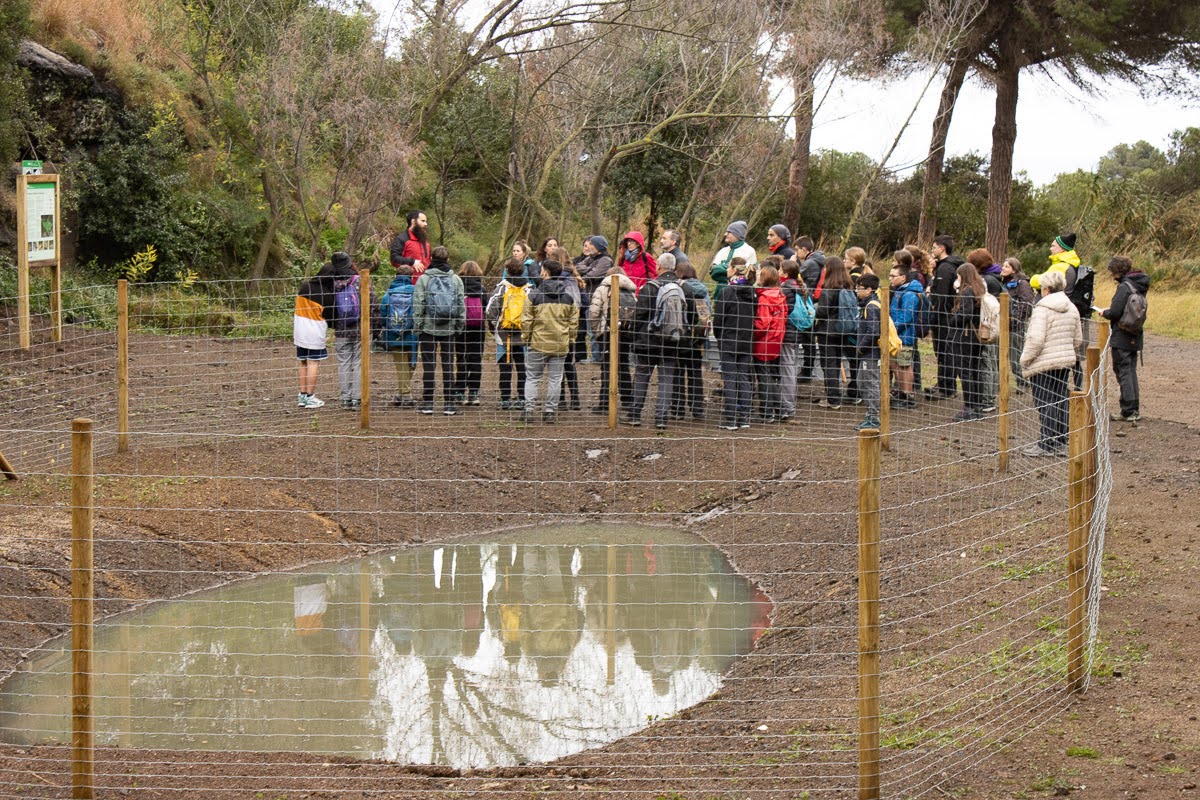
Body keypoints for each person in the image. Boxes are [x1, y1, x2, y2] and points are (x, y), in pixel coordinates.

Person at [625, 253, 693, 429]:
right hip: (672, 340)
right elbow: (691, 317)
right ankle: (661, 418)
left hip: (648, 341)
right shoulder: (684, 288)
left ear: (659, 267)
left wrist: (633, 335)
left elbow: (639, 315)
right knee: (666, 378)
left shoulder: (650, 288)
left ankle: (634, 415)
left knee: (641, 376)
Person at [1020, 270, 1082, 456]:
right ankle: (1062, 440)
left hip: (1043, 363)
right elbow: (1078, 339)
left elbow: (1035, 340)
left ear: (1045, 289)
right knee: (1060, 398)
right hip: (1064, 361)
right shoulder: (1071, 307)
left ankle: (1046, 442)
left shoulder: (1042, 310)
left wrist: (1025, 359)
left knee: (1044, 401)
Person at [520, 261, 579, 424]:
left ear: (545, 273)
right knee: (555, 378)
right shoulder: (568, 298)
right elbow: (573, 322)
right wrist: (570, 339)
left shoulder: (534, 296)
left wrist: (527, 338)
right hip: (560, 344)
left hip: (537, 343)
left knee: (532, 377)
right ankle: (550, 411)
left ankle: (528, 410)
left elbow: (526, 320)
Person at [1031, 232, 1092, 389]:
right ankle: (1077, 388)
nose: (1051, 248)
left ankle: (1062, 390)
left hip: (1057, 314)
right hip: (1069, 312)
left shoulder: (1061, 265)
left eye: (1053, 245)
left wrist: (1032, 278)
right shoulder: (1072, 264)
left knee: (1061, 355)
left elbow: (1040, 281)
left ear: (1062, 249)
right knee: (1074, 357)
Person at [413, 246, 465, 415]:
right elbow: (459, 305)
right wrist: (458, 326)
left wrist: (418, 325)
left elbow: (419, 304)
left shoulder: (423, 279)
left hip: (428, 328)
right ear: (447, 259)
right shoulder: (456, 279)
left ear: (431, 259)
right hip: (449, 328)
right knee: (448, 365)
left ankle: (428, 403)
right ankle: (449, 404)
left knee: (429, 365)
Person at [1099, 255, 1149, 423]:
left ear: (1116, 271)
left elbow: (1114, 312)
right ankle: (1133, 408)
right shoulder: (1138, 285)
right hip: (1135, 332)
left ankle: (1128, 410)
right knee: (1130, 371)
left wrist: (1103, 312)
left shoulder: (1124, 287)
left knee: (1123, 371)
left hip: (1122, 333)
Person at [588, 263, 637, 415]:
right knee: (623, 364)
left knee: (607, 366)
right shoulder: (630, 290)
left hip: (608, 332)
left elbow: (594, 312)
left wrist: (598, 332)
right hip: (625, 333)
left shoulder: (603, 288)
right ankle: (628, 399)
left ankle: (605, 402)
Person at [714, 261, 757, 430]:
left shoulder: (728, 291)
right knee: (744, 377)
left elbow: (719, 318)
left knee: (730, 378)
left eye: (729, 267)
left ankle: (731, 418)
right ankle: (745, 417)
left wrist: (719, 337)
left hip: (729, 340)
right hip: (746, 340)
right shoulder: (752, 293)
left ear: (734, 271)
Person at [293, 261, 339, 409]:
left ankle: (302, 395)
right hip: (314, 332)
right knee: (314, 362)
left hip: (299, 329)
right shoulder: (328, 295)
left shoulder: (305, 286)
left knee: (303, 361)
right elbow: (332, 319)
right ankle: (311, 396)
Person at [486, 259, 531, 410]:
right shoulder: (528, 289)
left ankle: (505, 398)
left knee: (505, 366)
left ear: (508, 271)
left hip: (504, 335)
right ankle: (522, 398)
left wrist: (495, 328)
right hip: (523, 334)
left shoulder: (501, 288)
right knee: (522, 366)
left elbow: (490, 311)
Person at [813, 255, 855, 409]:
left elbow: (823, 312)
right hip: (843, 329)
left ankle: (833, 398)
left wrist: (813, 310)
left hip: (828, 332)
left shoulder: (829, 288)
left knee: (829, 364)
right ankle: (835, 394)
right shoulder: (848, 286)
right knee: (837, 362)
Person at [928, 234, 965, 399]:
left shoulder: (945, 268)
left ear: (942, 248)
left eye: (934, 247)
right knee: (942, 352)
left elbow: (942, 297)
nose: (932, 250)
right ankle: (942, 383)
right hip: (946, 316)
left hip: (944, 318)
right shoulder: (943, 266)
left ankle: (946, 388)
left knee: (945, 351)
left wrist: (937, 315)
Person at [328, 252, 367, 410]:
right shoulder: (359, 280)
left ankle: (345, 399)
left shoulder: (331, 283)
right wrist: (376, 328)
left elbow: (329, 307)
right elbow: (372, 303)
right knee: (358, 363)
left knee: (343, 363)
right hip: (359, 328)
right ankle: (358, 399)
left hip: (341, 329)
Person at [672, 261, 709, 421]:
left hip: (681, 336)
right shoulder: (703, 289)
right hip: (697, 337)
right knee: (695, 373)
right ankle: (697, 408)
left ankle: (677, 408)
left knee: (678, 372)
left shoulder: (678, 288)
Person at [378, 264, 419, 407]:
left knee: (401, 365)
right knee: (411, 364)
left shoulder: (388, 294)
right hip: (413, 335)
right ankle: (406, 395)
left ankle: (401, 394)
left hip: (393, 335)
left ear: (396, 276)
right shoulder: (416, 292)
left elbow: (383, 313)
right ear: (411, 277)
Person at [967, 248, 1003, 412]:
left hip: (988, 326)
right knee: (990, 362)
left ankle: (987, 400)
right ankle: (989, 396)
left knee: (986, 362)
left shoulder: (988, 280)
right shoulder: (995, 276)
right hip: (994, 325)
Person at [950, 262, 987, 421]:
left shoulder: (966, 292)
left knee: (965, 370)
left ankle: (969, 406)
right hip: (977, 337)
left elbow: (966, 315)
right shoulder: (980, 290)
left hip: (966, 336)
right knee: (975, 370)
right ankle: (977, 405)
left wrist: (952, 319)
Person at [752, 266, 787, 423]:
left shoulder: (765, 297)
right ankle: (779, 409)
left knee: (764, 376)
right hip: (776, 339)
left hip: (764, 341)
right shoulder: (780, 295)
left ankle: (767, 412)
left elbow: (762, 323)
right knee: (772, 375)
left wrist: (750, 334)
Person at [888, 256, 923, 410]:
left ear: (902, 277)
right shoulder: (900, 291)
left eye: (892, 276)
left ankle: (909, 395)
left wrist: (892, 328)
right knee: (896, 364)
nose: (890, 279)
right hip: (897, 335)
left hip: (905, 336)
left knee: (904, 365)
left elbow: (906, 317)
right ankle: (902, 392)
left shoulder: (909, 294)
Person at [778, 261, 808, 421]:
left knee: (788, 369)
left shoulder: (785, 289)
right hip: (796, 332)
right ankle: (786, 404)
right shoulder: (799, 287)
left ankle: (788, 406)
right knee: (791, 366)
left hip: (787, 333)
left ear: (784, 273)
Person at [454, 260, 487, 406]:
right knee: (476, 359)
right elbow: (486, 308)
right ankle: (473, 392)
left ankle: (460, 392)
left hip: (462, 327)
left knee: (461, 358)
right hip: (478, 327)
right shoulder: (482, 290)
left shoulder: (458, 288)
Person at [1001, 257, 1035, 391]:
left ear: (1014, 270)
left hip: (1015, 326)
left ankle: (1022, 381)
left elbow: (1026, 303)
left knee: (1016, 355)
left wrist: (1015, 319)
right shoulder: (1002, 283)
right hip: (1001, 324)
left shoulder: (1022, 284)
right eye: (1003, 266)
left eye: (1007, 267)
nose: (1003, 268)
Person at [854, 273, 883, 430]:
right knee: (861, 382)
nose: (857, 291)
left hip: (870, 354)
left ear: (869, 289)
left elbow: (873, 331)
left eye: (859, 288)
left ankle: (873, 417)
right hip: (866, 353)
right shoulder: (868, 305)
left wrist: (861, 348)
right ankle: (869, 414)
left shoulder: (871, 306)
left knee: (870, 384)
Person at [795, 237, 826, 383]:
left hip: (807, 302)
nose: (796, 253)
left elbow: (797, 278)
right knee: (809, 339)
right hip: (814, 302)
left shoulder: (809, 263)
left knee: (808, 339)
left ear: (804, 250)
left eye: (797, 250)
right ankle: (807, 369)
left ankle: (806, 370)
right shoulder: (819, 261)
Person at [710, 221, 757, 286]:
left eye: (729, 232)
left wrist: (722, 267)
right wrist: (732, 269)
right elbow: (714, 272)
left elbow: (749, 275)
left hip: (739, 290)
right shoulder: (723, 251)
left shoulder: (749, 251)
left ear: (737, 234)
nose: (725, 234)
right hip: (720, 289)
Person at [389, 210, 431, 277]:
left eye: (426, 221)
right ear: (413, 221)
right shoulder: (401, 239)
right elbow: (394, 258)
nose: (426, 224)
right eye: (423, 221)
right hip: (407, 283)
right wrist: (412, 262)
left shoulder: (425, 242)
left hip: (425, 284)